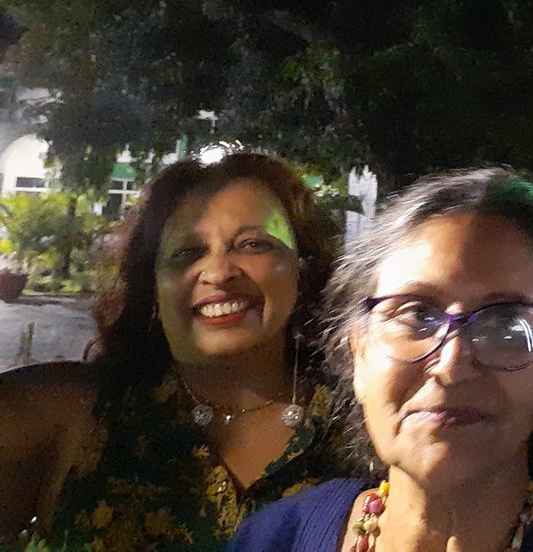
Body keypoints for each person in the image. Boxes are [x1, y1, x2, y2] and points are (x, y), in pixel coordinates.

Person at [230, 167, 533, 551]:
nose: (452, 364)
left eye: (506, 327)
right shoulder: (276, 538)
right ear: (356, 351)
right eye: (416, 314)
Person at [0, 152, 344, 549]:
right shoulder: (71, 414)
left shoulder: (369, 426)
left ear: (303, 267)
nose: (218, 273)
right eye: (187, 253)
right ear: (152, 286)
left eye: (252, 244)